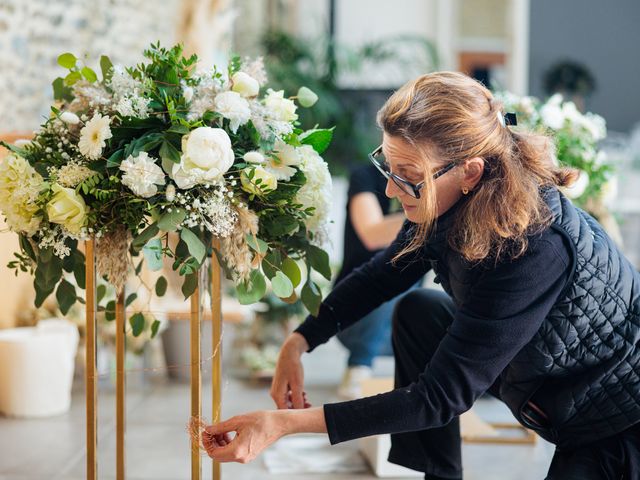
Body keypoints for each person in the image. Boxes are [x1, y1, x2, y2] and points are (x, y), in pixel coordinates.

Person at [202, 72, 640, 479]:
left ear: (470, 171)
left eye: (408, 176)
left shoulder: (534, 246)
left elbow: (439, 396)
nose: (392, 190)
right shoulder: (443, 199)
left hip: (615, 417)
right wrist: (298, 342)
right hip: (540, 376)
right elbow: (382, 276)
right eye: (388, 169)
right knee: (419, 310)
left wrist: (284, 424)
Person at [334, 162, 406, 399]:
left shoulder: (434, 179)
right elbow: (372, 235)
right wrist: (431, 208)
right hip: (350, 317)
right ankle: (359, 365)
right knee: (394, 272)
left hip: (399, 328)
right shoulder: (365, 175)